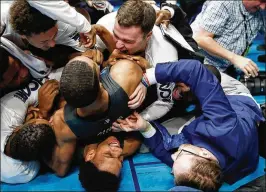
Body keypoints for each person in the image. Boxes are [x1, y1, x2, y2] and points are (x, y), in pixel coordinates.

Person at [113, 60, 265, 191]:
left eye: (175, 164)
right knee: (206, 72)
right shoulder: (224, 126)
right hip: (233, 95)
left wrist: (144, 127)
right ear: (204, 154)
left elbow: (165, 154)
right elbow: (195, 70)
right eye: (180, 154)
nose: (173, 155)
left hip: (219, 127)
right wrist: (146, 79)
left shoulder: (204, 172)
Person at [34, 56, 143, 177]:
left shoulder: (64, 123)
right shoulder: (126, 73)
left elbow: (60, 169)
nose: (118, 152)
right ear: (100, 83)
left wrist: (42, 114)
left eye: (110, 155)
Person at [92, 0, 198, 122]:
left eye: (128, 41)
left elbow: (164, 102)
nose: (119, 44)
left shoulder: (165, 56)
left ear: (148, 36)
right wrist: (103, 64)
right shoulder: (105, 24)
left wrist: (135, 121)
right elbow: (92, 58)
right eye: (116, 35)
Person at [1, 66, 63, 184]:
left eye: (38, 118)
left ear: (17, 128)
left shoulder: (9, 110)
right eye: (44, 120)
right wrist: (43, 111)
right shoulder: (22, 173)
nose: (38, 116)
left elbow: (49, 85)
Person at [0, 0, 94, 78]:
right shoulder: (2, 19)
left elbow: (91, 52)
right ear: (23, 35)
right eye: (44, 41)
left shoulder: (66, 26)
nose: (52, 43)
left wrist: (75, 56)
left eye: (54, 35)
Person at [191, 0, 266, 78]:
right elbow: (201, 39)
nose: (263, 7)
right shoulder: (223, 3)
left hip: (228, 67)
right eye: (261, 1)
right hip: (203, 65)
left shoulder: (259, 10)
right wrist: (235, 58)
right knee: (242, 90)